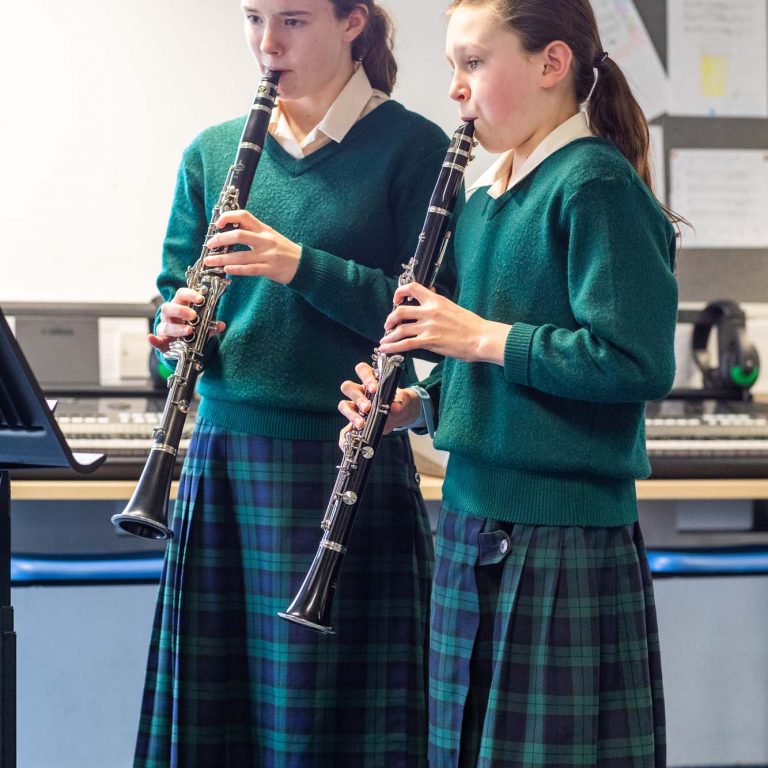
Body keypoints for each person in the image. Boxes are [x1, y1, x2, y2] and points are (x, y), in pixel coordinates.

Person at [339, 1, 683, 766]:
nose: (455, 89)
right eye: (452, 66)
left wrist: (482, 337)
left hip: (561, 535)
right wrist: (414, 405)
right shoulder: (488, 192)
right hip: (473, 523)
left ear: (551, 64)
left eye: (473, 62)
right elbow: (489, 373)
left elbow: (634, 363)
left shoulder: (593, 183)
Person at [134, 1, 457, 765]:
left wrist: (298, 265)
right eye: (253, 18)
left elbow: (434, 311)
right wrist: (176, 335)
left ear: (353, 23)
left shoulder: (414, 149)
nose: (266, 43)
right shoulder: (212, 152)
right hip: (221, 460)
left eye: (293, 19)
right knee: (218, 721)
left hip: (341, 458)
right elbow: (169, 307)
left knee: (332, 725)